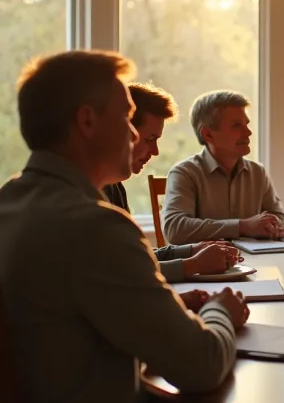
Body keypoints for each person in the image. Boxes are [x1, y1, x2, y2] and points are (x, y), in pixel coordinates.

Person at [0, 51, 284, 403]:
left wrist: (170, 305)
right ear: (87, 122)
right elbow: (200, 367)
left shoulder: (4, 204)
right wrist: (221, 311)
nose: (134, 133)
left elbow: (70, 315)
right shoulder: (95, 225)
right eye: (126, 117)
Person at [101, 82, 243, 281]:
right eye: (150, 139)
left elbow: (134, 260)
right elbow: (117, 274)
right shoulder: (89, 194)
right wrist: (192, 264)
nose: (155, 151)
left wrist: (192, 250)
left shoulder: (114, 186)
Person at [162, 90, 284, 244]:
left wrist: (273, 225)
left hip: (258, 264)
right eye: (236, 126)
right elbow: (175, 229)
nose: (248, 132)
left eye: (246, 124)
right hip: (204, 267)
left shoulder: (258, 173)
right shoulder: (184, 173)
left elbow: (283, 221)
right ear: (208, 135)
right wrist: (243, 226)